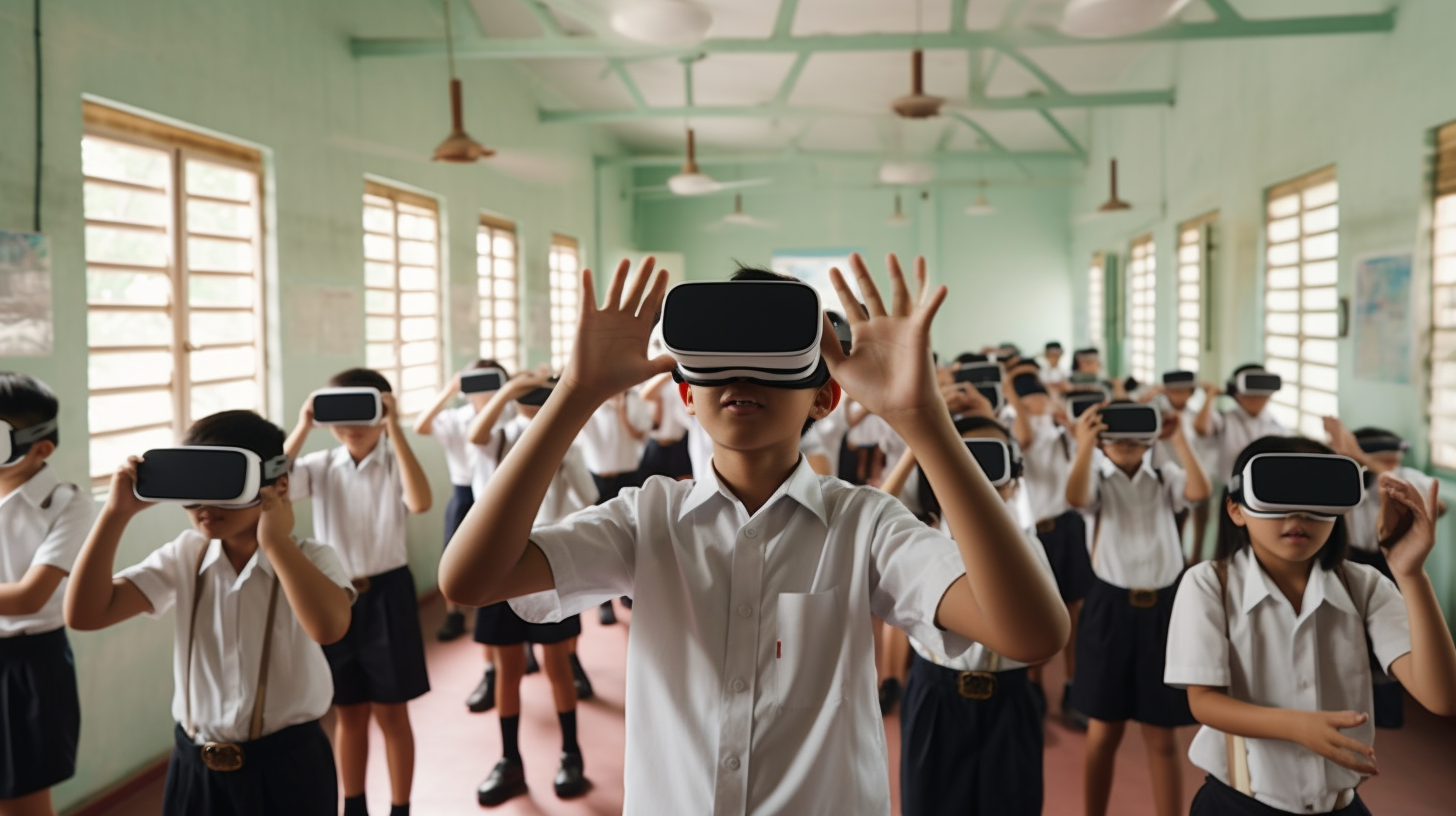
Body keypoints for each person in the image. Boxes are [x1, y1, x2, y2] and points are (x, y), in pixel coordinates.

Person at [438, 254, 1069, 814]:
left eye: (773, 359)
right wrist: (574, 395)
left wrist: (923, 420)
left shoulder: (864, 526)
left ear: (824, 398)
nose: (742, 376)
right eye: (719, 360)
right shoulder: (646, 519)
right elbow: (470, 579)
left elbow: (1031, 633)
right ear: (686, 393)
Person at [65, 411, 354, 816]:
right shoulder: (185, 555)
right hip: (195, 768)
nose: (205, 506)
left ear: (278, 485)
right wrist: (116, 514)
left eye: (224, 487)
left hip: (289, 764)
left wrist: (275, 542)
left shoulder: (311, 557)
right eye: (192, 489)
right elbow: (86, 613)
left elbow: (329, 627)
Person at [1166, 436, 1456, 815]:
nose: (1297, 515)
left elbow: (1442, 696)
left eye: (1315, 499)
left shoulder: (1363, 586)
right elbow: (1203, 702)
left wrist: (1411, 573)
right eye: (1277, 497)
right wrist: (1295, 726)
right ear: (1236, 509)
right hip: (1239, 804)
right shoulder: (1208, 584)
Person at [882, 415, 1055, 816]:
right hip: (935, 695)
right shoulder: (919, 535)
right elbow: (866, 517)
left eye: (992, 461)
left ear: (1014, 480)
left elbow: (1043, 646)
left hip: (1010, 698)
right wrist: (921, 445)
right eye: (962, 458)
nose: (976, 473)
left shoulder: (1029, 549)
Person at [285, 369, 434, 816]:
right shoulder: (320, 466)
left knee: (393, 713)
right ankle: (354, 807)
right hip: (338, 596)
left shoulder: (393, 460)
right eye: (339, 413)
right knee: (348, 713)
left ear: (382, 409)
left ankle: (400, 808)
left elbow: (420, 501)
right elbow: (272, 489)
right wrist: (302, 426)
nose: (351, 426)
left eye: (362, 413)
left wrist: (394, 428)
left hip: (389, 594)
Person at [1066, 401, 1211, 816]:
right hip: (1110, 607)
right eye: (1115, 435)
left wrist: (1178, 439)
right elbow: (1075, 497)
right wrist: (1084, 446)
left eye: (1135, 434)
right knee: (1103, 732)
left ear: (1150, 440)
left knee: (1162, 736)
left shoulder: (1166, 477)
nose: (1126, 443)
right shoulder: (1094, 478)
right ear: (1101, 441)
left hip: (1164, 612)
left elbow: (1199, 493)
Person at [466, 372, 597, 805]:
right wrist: (510, 388)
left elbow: (589, 497)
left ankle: (571, 753)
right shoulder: (499, 438)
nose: (536, 402)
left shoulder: (567, 446)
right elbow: (476, 433)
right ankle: (509, 761)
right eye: (531, 396)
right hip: (499, 567)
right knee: (507, 670)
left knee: (558, 664)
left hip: (545, 566)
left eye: (545, 395)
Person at [0, 374, 93, 816]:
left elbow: (27, 597)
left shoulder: (68, 504)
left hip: (28, 667)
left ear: (41, 447)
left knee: (22, 801)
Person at [1322, 420, 1447, 729]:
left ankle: (1388, 713)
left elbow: (1439, 506)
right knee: (1352, 636)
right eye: (1384, 457)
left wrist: (1377, 468)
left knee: (1394, 632)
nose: (1392, 463)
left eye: (1394, 458)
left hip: (1388, 561)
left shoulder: (1405, 478)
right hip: (1351, 558)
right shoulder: (1350, 479)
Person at [1005, 363, 1093, 729]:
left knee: (1076, 609)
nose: (1039, 402)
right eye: (1032, 397)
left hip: (1068, 526)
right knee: (1037, 611)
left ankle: (1073, 686)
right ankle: (1035, 686)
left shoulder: (1061, 429)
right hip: (1035, 532)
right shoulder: (1013, 428)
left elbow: (1083, 455)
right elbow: (1023, 438)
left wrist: (1068, 423)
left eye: (1041, 395)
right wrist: (1011, 385)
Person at [414, 361, 512, 641]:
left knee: (496, 554)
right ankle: (454, 613)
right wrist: (449, 391)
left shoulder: (507, 416)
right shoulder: (457, 417)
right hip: (463, 492)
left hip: (497, 492)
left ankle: (502, 608)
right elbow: (421, 426)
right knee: (453, 553)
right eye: (475, 382)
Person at [577, 386, 652, 625]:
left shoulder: (635, 401)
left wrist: (621, 411)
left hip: (629, 477)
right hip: (598, 479)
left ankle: (627, 593)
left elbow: (641, 436)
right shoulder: (590, 402)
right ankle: (603, 602)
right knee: (600, 541)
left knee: (631, 537)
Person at [1148, 375, 1220, 563]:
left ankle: (1194, 559)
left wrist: (1209, 396)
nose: (1179, 395)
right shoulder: (1157, 412)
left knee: (1201, 515)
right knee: (1175, 521)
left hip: (1196, 473)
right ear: (1166, 391)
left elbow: (1202, 429)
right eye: (1174, 390)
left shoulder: (1197, 413)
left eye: (1185, 391)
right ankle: (1177, 559)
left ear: (1191, 393)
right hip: (1167, 474)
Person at [1195, 364, 1289, 481]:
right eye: (1252, 394)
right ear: (1236, 394)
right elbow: (1201, 428)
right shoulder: (1224, 420)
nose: (1259, 398)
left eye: (1264, 394)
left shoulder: (1277, 427)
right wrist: (1210, 395)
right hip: (1230, 489)